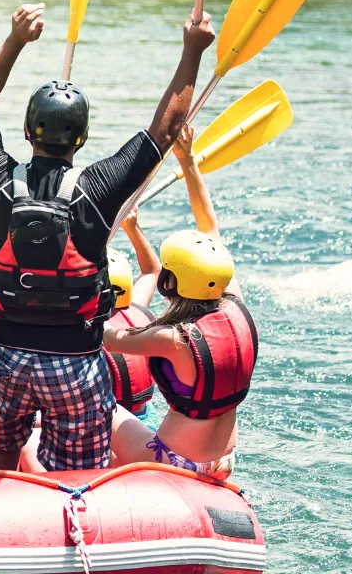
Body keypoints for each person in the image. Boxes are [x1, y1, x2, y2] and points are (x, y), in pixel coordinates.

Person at [0, 2, 215, 472]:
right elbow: (164, 131)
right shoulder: (99, 187)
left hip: (7, 355)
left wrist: (15, 40)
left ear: (26, 131)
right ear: (82, 138)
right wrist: (192, 51)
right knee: (78, 471)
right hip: (75, 362)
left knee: (0, 444)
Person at [104, 125, 257, 480]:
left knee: (102, 406)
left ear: (169, 283)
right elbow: (210, 230)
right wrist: (188, 161)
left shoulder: (172, 338)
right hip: (224, 462)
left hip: (175, 461)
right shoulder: (235, 304)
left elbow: (107, 338)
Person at [102, 244, 158, 418]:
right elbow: (151, 271)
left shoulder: (81, 331)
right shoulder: (137, 310)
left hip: (110, 424)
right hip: (146, 418)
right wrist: (133, 231)